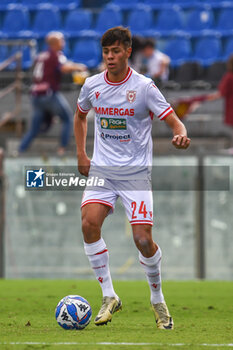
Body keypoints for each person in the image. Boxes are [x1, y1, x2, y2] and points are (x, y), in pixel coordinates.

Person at [74, 27, 190, 329]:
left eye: (115, 51)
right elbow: (80, 115)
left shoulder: (144, 87)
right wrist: (82, 155)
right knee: (88, 223)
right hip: (103, 170)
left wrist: (180, 133)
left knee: (142, 240)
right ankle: (109, 295)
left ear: (127, 51)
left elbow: (174, 121)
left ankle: (157, 298)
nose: (110, 57)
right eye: (105, 52)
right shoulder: (91, 85)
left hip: (136, 174)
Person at [19, 31, 86, 156]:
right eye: (61, 40)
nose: (64, 43)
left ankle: (20, 150)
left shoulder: (41, 55)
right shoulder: (56, 54)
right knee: (67, 119)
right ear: (55, 43)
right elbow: (63, 68)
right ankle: (62, 149)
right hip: (48, 94)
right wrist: (78, 67)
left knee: (34, 129)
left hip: (35, 95)